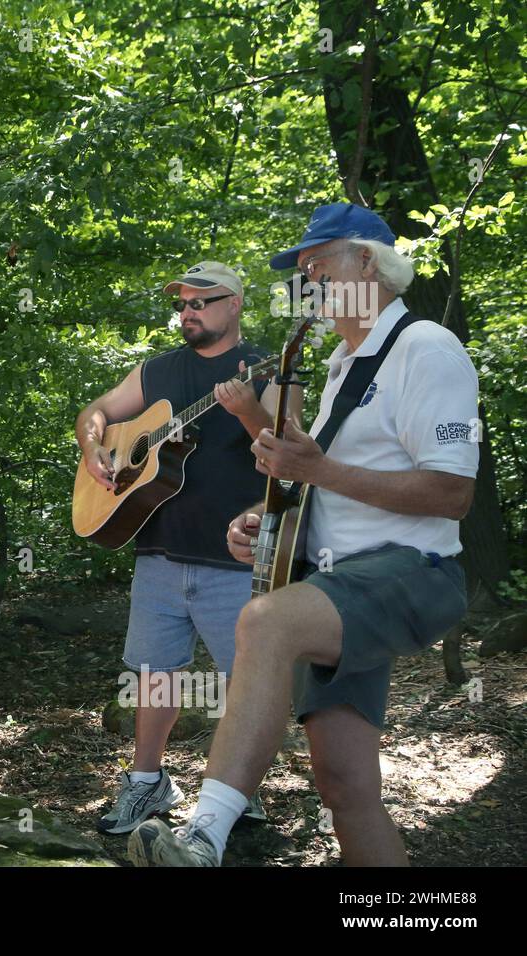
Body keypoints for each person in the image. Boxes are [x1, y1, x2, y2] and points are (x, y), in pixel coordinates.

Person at [129, 204, 479, 867]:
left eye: (318, 265)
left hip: (411, 571)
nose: (306, 280)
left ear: (367, 262)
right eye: (301, 271)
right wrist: (270, 525)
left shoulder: (426, 347)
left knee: (264, 621)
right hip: (338, 585)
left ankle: (204, 839)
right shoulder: (344, 366)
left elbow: (451, 493)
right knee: (344, 785)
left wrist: (318, 468)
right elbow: (326, 483)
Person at [74, 261, 300, 834]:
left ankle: (234, 791)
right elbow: (94, 413)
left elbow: (295, 461)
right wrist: (94, 447)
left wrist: (249, 411)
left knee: (244, 682)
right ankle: (147, 785)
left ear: (235, 306)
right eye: (182, 303)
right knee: (156, 676)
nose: (188, 311)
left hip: (237, 558)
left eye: (201, 301)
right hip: (159, 552)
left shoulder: (272, 368)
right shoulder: (155, 372)